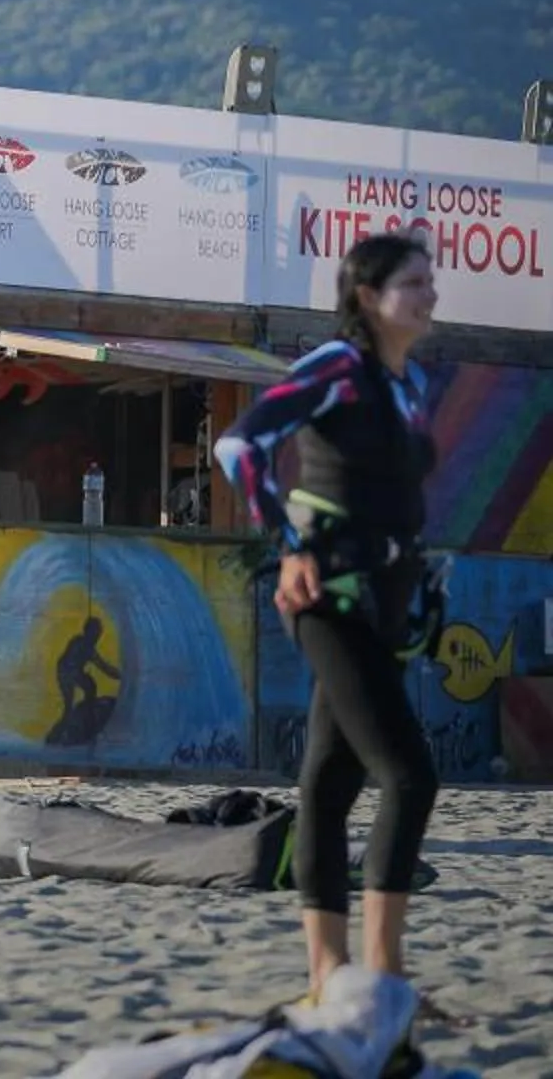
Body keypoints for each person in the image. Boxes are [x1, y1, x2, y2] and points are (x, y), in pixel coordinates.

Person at [213, 233, 443, 1007]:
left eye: (429, 281)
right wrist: (288, 546)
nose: (429, 295)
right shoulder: (338, 368)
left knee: (328, 787)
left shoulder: (410, 382)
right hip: (329, 598)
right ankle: (381, 979)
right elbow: (240, 444)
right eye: (412, 284)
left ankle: (327, 980)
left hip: (387, 601)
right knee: (410, 774)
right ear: (367, 296)